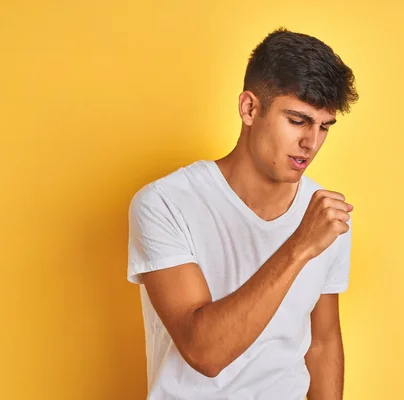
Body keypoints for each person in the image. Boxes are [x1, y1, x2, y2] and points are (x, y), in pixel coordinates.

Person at [127, 27, 359, 400]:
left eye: (324, 127)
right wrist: (300, 245)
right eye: (298, 120)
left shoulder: (324, 214)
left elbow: (323, 341)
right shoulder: (165, 203)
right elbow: (204, 352)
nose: (311, 143)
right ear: (250, 108)